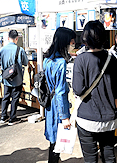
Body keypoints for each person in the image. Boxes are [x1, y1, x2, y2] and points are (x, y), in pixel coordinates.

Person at [72, 21, 117, 163]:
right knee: (109, 155)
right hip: (109, 117)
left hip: (86, 119)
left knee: (90, 158)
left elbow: (78, 90)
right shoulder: (112, 60)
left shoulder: (80, 60)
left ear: (85, 38)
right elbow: (116, 90)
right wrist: (113, 110)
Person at [43, 27, 76, 163]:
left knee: (54, 140)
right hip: (58, 107)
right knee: (57, 141)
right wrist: (65, 117)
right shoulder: (61, 63)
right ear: (65, 42)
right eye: (72, 42)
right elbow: (61, 92)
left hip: (50, 106)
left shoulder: (48, 59)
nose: (73, 45)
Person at [0, 30, 28, 125]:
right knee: (15, 98)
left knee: (5, 97)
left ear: (8, 38)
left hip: (6, 77)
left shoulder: (2, 50)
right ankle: (12, 118)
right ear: (17, 38)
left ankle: (3, 116)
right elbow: (25, 63)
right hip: (17, 78)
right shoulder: (20, 50)